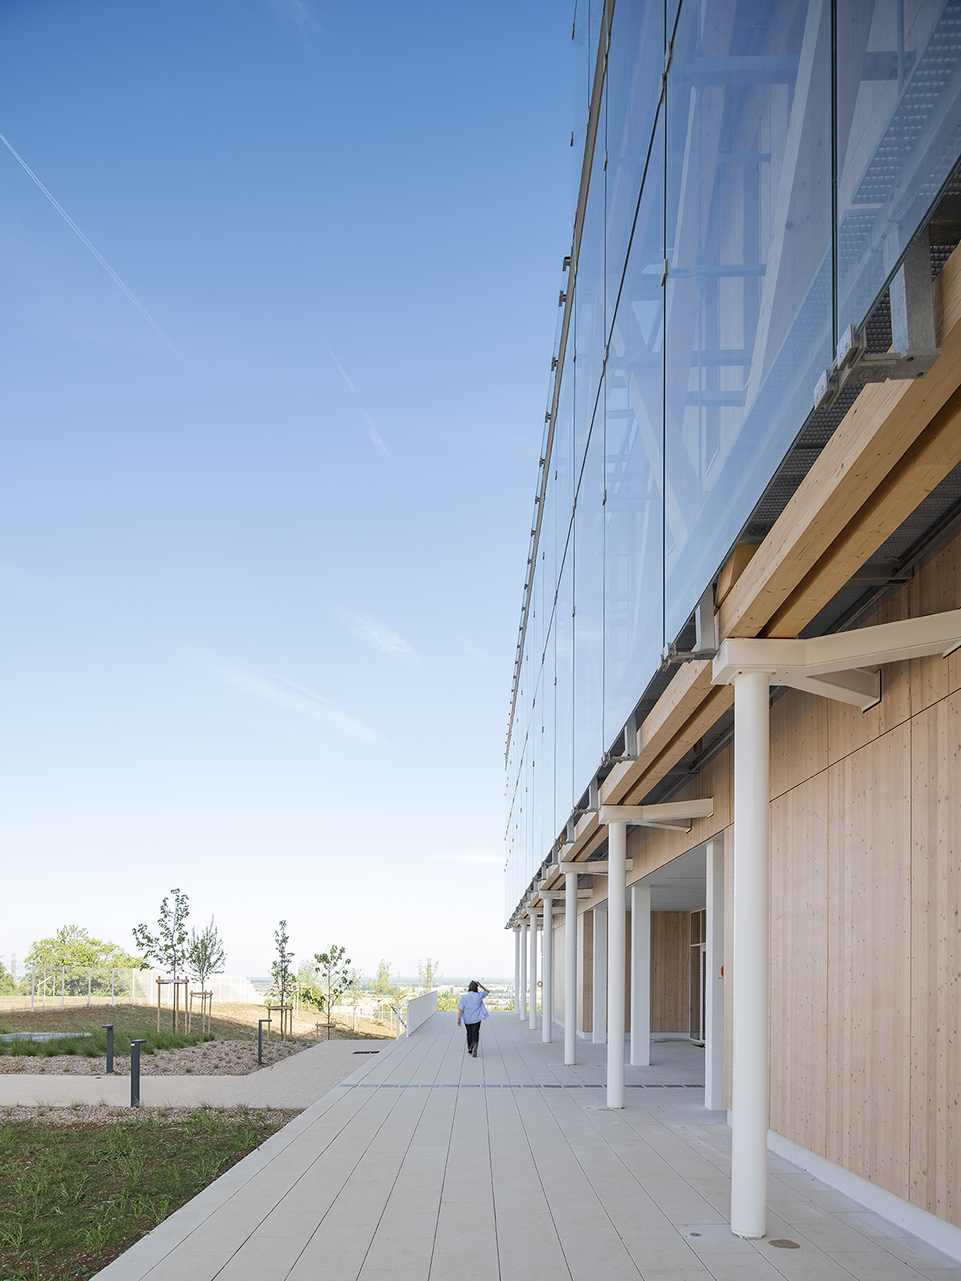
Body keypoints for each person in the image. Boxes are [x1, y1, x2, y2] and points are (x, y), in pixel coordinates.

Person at [456, 980, 489, 1057]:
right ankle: (475, 1045)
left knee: (469, 1033)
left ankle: (470, 1049)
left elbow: (461, 1009)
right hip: (477, 1018)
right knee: (475, 1033)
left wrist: (459, 1019)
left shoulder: (464, 997)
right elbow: (487, 991)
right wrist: (481, 986)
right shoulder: (479, 996)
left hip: (467, 1019)